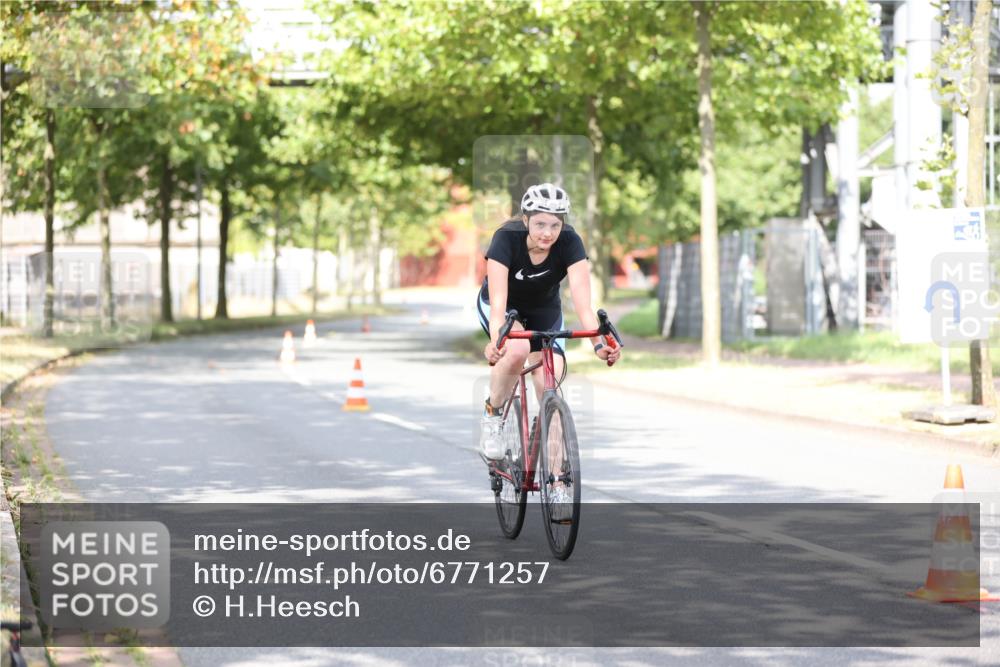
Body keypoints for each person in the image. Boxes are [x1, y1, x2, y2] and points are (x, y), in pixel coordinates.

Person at [476, 183, 622, 495]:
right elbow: (499, 305)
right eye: (540, 223)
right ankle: (494, 415)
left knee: (550, 385)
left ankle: (556, 480)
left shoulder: (570, 242)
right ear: (525, 220)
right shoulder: (506, 239)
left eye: (555, 225)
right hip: (504, 308)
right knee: (515, 351)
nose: (548, 232)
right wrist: (496, 340)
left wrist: (599, 345)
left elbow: (584, 305)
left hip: (545, 309)